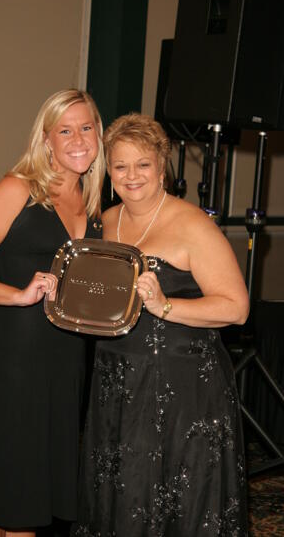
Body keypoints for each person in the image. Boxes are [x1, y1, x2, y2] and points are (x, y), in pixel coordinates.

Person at [73, 113, 250, 536]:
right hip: (117, 381)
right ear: (108, 172)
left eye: (143, 165)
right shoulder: (104, 221)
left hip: (182, 388)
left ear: (161, 167)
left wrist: (165, 306)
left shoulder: (193, 225)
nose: (132, 175)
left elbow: (237, 308)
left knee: (179, 501)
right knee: (123, 493)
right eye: (120, 165)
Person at [0, 89, 105, 536]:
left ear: (98, 136)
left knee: (32, 491)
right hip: (18, 357)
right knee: (1, 485)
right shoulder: (19, 189)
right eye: (65, 130)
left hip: (67, 358)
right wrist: (16, 295)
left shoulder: (93, 205)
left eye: (87, 127)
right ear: (47, 139)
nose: (78, 139)